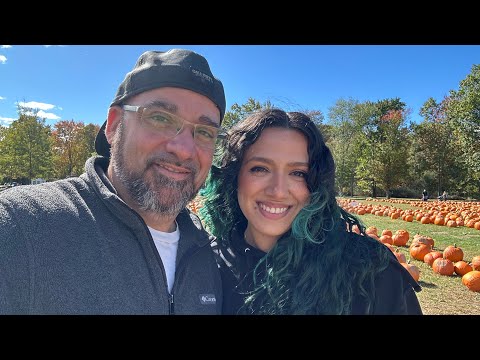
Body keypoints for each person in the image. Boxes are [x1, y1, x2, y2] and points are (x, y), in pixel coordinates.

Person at [0, 49, 226, 314]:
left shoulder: (208, 254)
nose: (184, 149)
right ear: (114, 125)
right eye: (161, 118)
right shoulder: (21, 227)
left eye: (205, 132)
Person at [199, 108, 423, 315]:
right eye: (260, 168)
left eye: (298, 173)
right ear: (233, 177)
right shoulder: (204, 266)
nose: (278, 191)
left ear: (317, 184)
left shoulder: (370, 271)